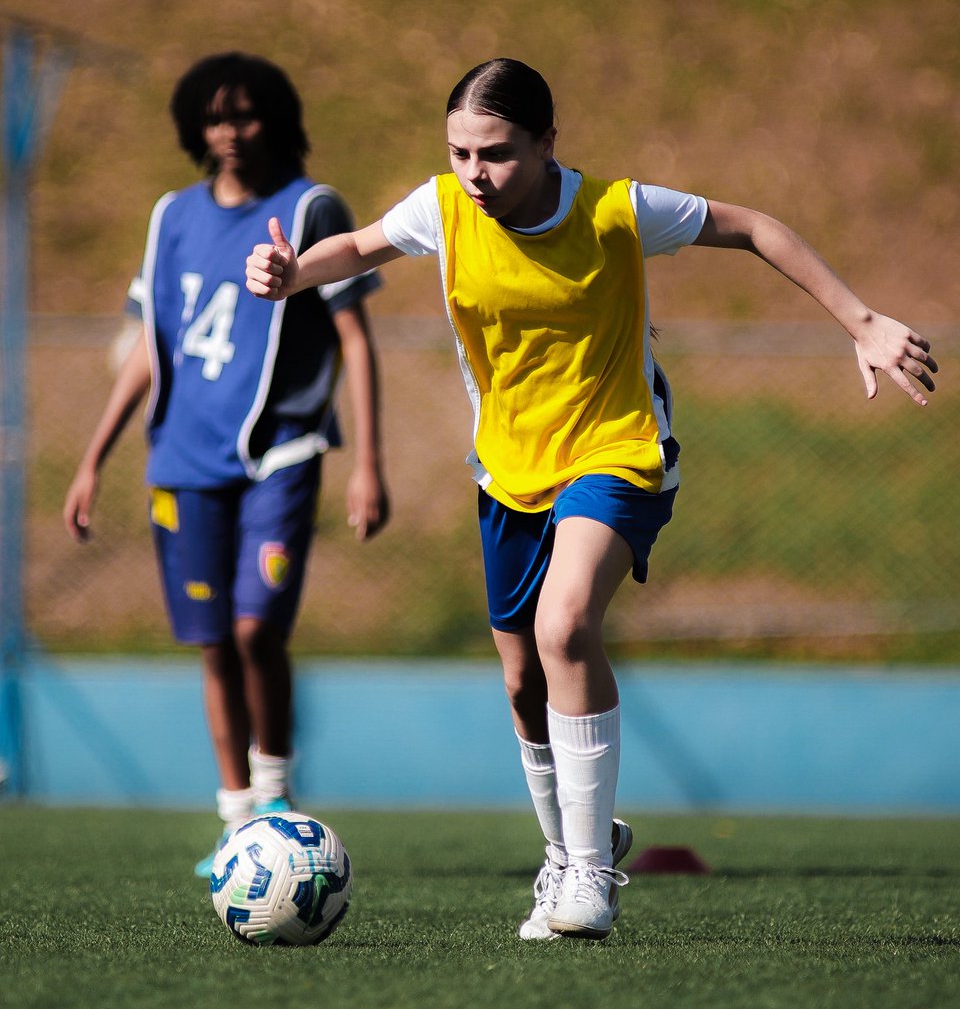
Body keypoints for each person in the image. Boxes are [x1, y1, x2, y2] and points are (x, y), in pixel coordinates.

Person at [244, 57, 938, 940]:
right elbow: (362, 245)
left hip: (617, 450)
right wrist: (291, 270)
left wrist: (863, 321)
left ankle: (592, 880)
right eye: (458, 152)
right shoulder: (445, 209)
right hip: (507, 467)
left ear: (545, 144)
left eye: (494, 153)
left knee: (565, 625)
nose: (474, 173)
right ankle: (573, 845)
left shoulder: (617, 210)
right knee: (523, 677)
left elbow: (756, 227)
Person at [64, 52, 389, 877]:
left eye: (245, 115)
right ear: (194, 130)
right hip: (182, 457)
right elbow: (150, 346)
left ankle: (277, 797)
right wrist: (93, 458)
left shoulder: (311, 209)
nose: (230, 132)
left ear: (274, 118)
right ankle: (235, 814)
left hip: (280, 451)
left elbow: (356, 338)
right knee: (213, 641)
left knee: (256, 629)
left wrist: (368, 464)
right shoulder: (171, 216)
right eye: (214, 118)